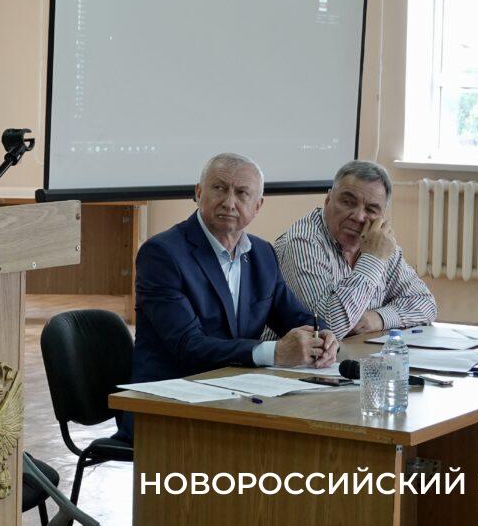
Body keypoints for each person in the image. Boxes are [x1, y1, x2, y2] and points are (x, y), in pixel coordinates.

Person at [118, 153, 338, 441]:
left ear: (257, 206)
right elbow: (188, 346)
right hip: (165, 407)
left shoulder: (262, 254)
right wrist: (275, 352)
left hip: (236, 397)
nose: (229, 202)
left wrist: (323, 337)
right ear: (199, 193)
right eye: (219, 188)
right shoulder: (162, 254)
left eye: (242, 193)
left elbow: (296, 317)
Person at [275, 160, 437, 340]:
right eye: (348, 203)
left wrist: (379, 318)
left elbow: (426, 303)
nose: (359, 217)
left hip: (355, 352)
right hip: (292, 357)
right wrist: (372, 259)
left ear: (382, 216)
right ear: (328, 200)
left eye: (371, 210)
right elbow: (327, 327)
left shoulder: (379, 242)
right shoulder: (302, 242)